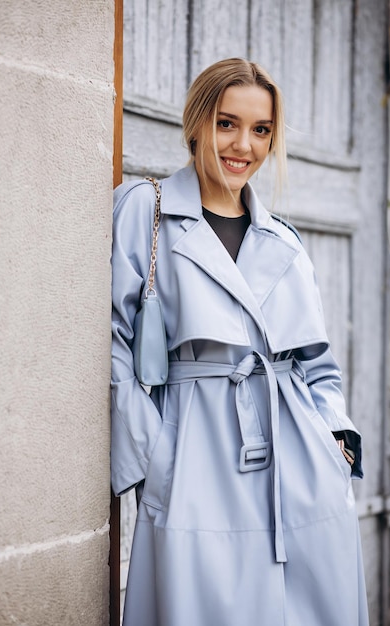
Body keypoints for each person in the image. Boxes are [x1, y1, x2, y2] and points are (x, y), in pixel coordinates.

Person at [111, 58, 369, 626]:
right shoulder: (146, 211)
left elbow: (316, 363)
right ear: (196, 122)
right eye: (227, 123)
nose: (242, 146)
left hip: (298, 457)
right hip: (195, 451)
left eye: (260, 130)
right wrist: (155, 456)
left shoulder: (285, 239)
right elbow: (111, 342)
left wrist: (336, 442)